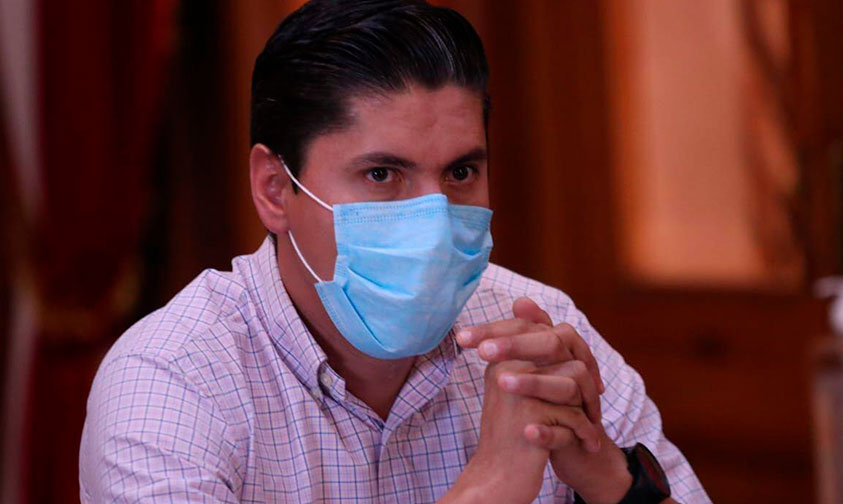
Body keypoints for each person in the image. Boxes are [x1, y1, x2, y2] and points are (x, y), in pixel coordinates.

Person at [79, 1, 711, 502]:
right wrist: (490, 486)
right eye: (383, 175)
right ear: (274, 190)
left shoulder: (540, 334)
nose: (433, 222)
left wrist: (609, 479)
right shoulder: (171, 380)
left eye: (461, 172)